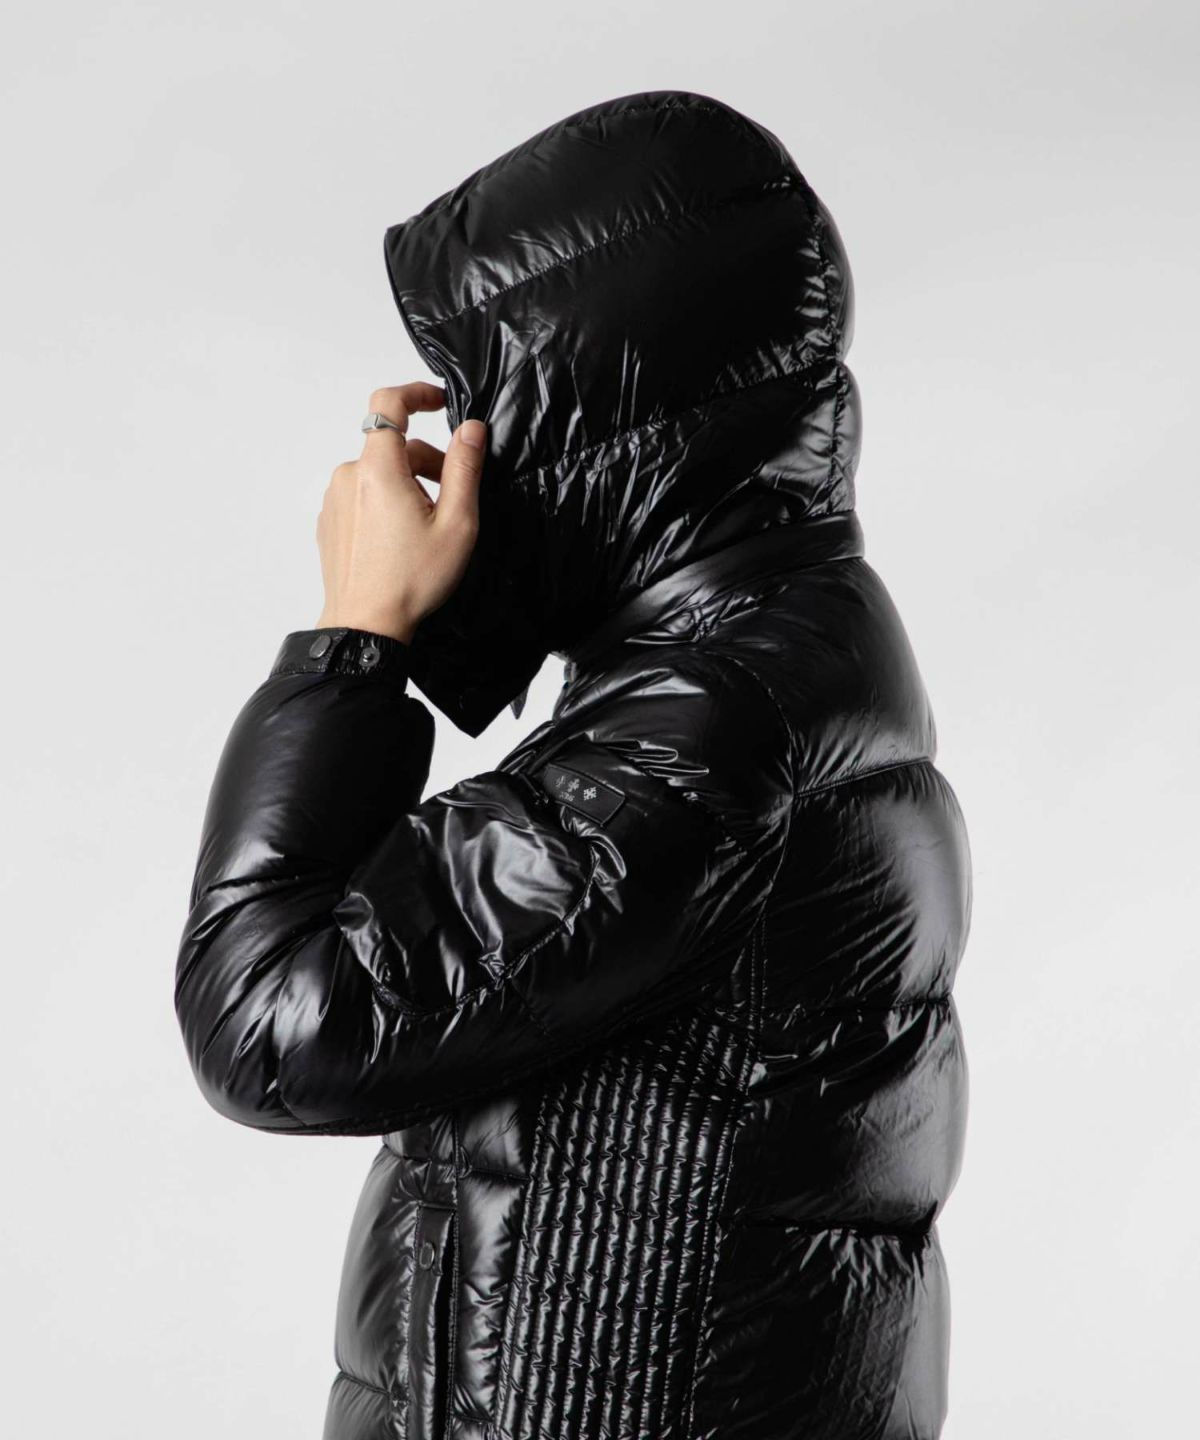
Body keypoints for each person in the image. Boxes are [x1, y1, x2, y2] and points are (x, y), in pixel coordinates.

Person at [175, 89, 972, 1440]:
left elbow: (273, 1023)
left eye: (481, 407)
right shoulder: (782, 661)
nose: (444, 463)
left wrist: (356, 637)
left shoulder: (700, 730)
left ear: (598, 420)